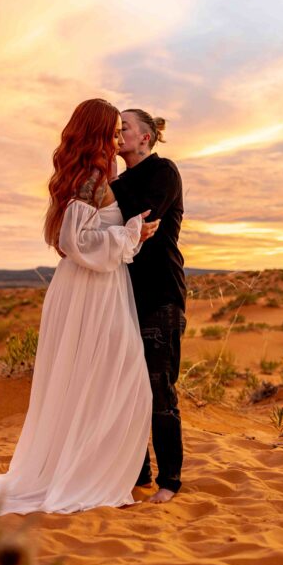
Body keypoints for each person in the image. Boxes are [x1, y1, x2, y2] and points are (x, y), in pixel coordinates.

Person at [0, 99, 159, 515]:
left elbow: (78, 236)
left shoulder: (86, 172)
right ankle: (85, 479)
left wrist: (127, 234)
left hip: (93, 286)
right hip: (92, 289)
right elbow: (78, 242)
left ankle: (84, 470)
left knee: (96, 381)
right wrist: (131, 232)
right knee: (121, 381)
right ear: (96, 131)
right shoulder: (92, 175)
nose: (115, 137)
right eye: (111, 130)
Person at [111, 109, 186, 504]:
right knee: (127, 389)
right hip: (122, 298)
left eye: (123, 128)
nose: (117, 134)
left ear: (146, 137)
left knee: (159, 390)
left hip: (161, 296)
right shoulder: (118, 180)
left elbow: (141, 218)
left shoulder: (163, 171)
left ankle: (169, 481)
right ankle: (137, 473)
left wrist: (104, 185)